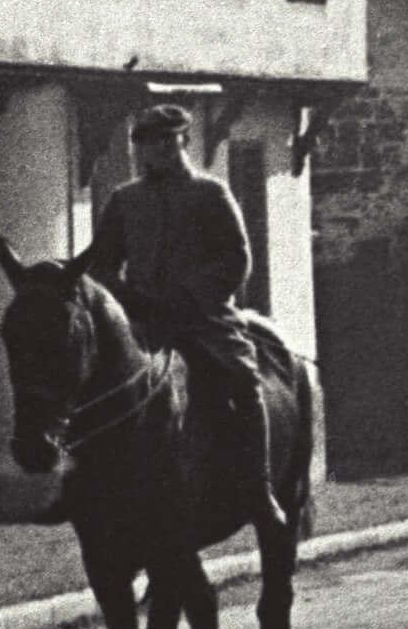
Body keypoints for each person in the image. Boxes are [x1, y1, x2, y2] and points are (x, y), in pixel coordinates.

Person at [83, 103, 286, 528]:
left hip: (204, 320)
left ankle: (259, 489)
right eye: (146, 143)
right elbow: (101, 265)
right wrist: (129, 299)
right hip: (143, 325)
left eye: (166, 141)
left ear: (184, 141)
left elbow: (237, 258)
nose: (156, 151)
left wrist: (189, 296)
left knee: (243, 380)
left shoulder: (210, 194)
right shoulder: (125, 201)